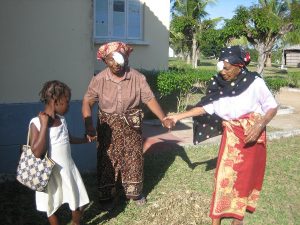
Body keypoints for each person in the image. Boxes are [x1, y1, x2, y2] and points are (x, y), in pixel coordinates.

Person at [165, 46, 278, 225]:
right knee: (224, 179)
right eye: (221, 67)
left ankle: (237, 218)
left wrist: (260, 125)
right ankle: (216, 219)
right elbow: (205, 106)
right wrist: (178, 116)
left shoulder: (255, 82)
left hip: (252, 138)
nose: (222, 72)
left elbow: (272, 106)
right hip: (232, 138)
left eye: (226, 68)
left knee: (244, 180)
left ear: (239, 66)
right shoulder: (219, 84)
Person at [82, 41, 172, 209]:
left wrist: (162, 118)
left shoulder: (137, 77)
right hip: (107, 126)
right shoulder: (99, 79)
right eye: (111, 59)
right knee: (107, 159)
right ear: (105, 61)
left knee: (133, 157)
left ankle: (134, 192)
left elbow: (149, 99)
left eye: (119, 58)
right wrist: (88, 124)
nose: (116, 63)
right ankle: (107, 194)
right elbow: (88, 101)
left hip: (131, 124)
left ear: (126, 58)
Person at [29, 80, 90, 225]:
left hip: (67, 170)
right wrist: (44, 125)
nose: (68, 105)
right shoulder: (36, 123)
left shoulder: (62, 120)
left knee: (78, 199)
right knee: (51, 205)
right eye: (66, 102)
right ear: (56, 101)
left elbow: (67, 139)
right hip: (48, 173)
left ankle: (76, 223)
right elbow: (37, 152)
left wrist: (85, 140)